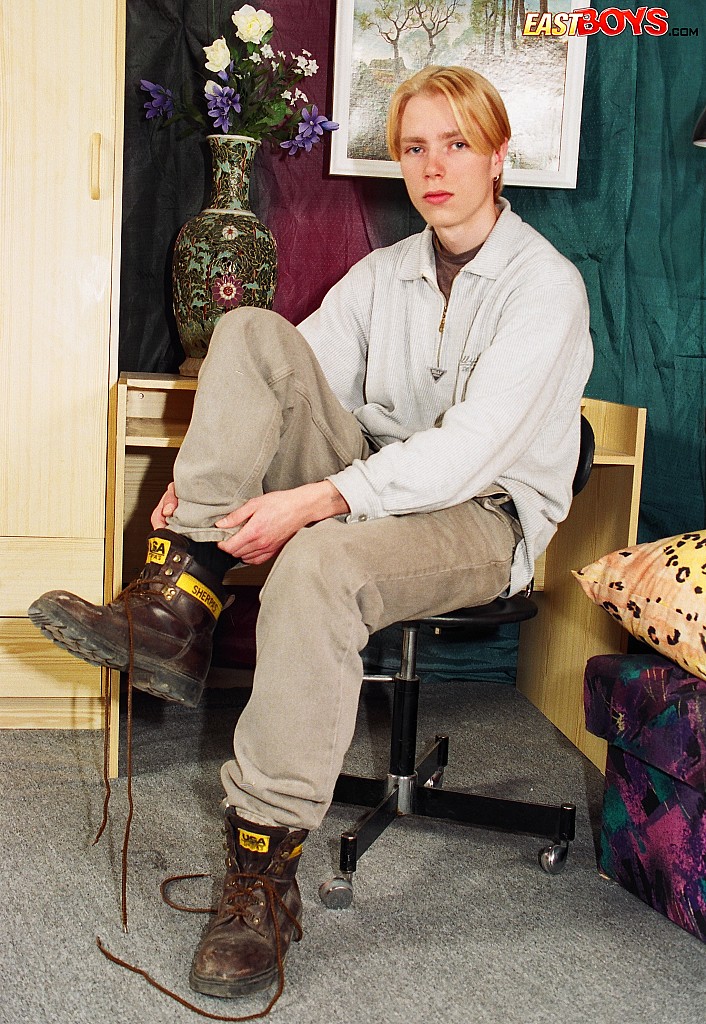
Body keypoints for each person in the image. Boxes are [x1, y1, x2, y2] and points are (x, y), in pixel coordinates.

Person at [29, 66, 593, 1000]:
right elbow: (288, 381)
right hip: (372, 473)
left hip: (481, 516)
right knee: (250, 332)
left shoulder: (546, 288)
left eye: (457, 144)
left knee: (321, 562)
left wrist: (319, 500)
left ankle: (262, 874)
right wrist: (194, 490)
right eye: (415, 147)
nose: (434, 167)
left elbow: (468, 453)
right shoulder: (385, 274)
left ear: (499, 157)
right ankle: (177, 602)